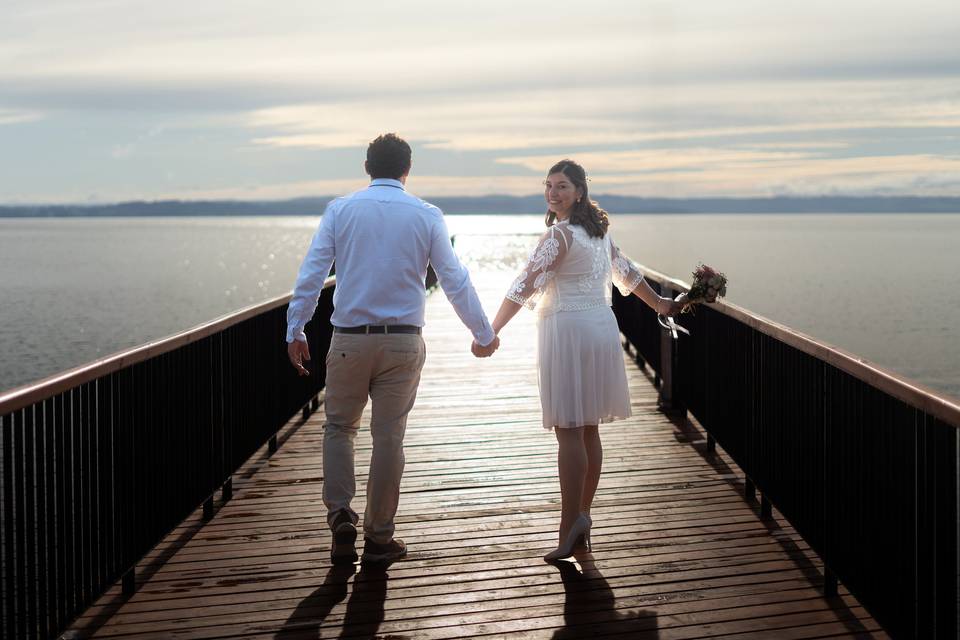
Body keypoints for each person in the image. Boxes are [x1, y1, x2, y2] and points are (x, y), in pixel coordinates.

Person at [286, 133, 499, 564]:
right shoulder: (427, 215)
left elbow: (312, 275)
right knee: (389, 438)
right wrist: (482, 332)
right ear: (407, 169)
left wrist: (296, 328)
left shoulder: (341, 210)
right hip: (403, 340)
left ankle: (341, 512)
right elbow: (454, 279)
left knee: (339, 428)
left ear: (368, 167)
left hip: (349, 338)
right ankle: (379, 536)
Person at [482, 159, 682, 561]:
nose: (553, 193)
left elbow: (523, 286)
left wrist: (492, 330)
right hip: (601, 330)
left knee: (569, 431)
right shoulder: (599, 235)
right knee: (588, 429)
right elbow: (630, 276)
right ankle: (582, 519)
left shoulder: (559, 236)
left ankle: (568, 524)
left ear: (579, 192)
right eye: (549, 186)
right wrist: (660, 303)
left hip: (569, 332)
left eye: (562, 186)